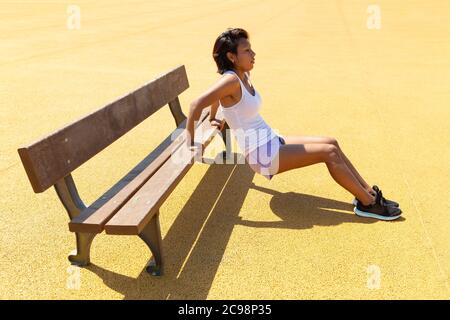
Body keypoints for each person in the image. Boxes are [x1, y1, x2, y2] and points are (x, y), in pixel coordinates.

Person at [184, 27, 401, 221]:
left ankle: (367, 193)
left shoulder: (241, 75)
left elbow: (215, 96)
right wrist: (189, 141)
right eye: (247, 51)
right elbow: (196, 104)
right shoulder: (231, 80)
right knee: (328, 153)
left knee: (331, 142)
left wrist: (215, 116)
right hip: (262, 155)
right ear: (231, 56)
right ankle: (368, 204)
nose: (253, 54)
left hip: (270, 140)